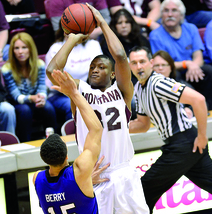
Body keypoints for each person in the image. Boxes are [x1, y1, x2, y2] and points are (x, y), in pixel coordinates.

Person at [128, 45, 212, 214]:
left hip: (182, 144)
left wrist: (202, 135)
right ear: (130, 65)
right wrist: (116, 128)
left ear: (150, 63)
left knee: (144, 191)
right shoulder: (138, 88)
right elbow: (143, 125)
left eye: (142, 61)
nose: (139, 66)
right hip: (182, 146)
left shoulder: (159, 83)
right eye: (134, 62)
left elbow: (199, 99)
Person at [46, 3, 149, 214]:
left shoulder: (122, 91)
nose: (94, 70)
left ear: (113, 74)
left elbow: (120, 56)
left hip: (124, 172)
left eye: (101, 67)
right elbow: (52, 70)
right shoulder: (78, 91)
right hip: (95, 175)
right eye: (92, 67)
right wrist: (73, 39)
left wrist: (101, 22)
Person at [33, 69, 103, 214]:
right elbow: (96, 129)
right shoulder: (80, 172)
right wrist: (74, 93)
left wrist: (86, 179)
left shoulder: (37, 179)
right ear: (66, 155)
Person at [149, 0, 212, 110]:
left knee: (208, 71)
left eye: (174, 10)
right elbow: (162, 64)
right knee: (175, 75)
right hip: (172, 72)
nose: (170, 14)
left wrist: (193, 66)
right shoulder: (155, 35)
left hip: (192, 70)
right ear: (161, 15)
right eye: (166, 11)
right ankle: (187, 111)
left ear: (181, 15)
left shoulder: (191, 28)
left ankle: (211, 110)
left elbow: (198, 56)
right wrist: (187, 64)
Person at [45, 20, 103, 134]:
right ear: (64, 31)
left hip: (89, 90)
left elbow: (101, 74)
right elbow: (54, 76)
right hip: (60, 94)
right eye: (71, 30)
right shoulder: (55, 48)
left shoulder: (93, 45)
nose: (75, 33)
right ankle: (74, 137)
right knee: (72, 103)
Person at [1, 32, 57, 142]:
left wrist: (41, 98)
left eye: (24, 47)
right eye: (16, 48)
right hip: (16, 103)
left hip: (35, 100)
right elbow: (16, 96)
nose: (20, 52)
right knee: (25, 110)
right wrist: (32, 98)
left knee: (48, 107)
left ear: (30, 49)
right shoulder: (6, 69)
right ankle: (25, 142)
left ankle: (54, 141)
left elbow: (42, 87)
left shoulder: (39, 64)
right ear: (12, 51)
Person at [100, 8, 151, 83]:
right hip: (121, 82)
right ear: (114, 26)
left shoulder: (142, 40)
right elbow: (113, 70)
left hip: (143, 79)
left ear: (132, 24)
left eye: (127, 22)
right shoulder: (108, 44)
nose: (124, 26)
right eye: (120, 23)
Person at [151, 50, 194, 118]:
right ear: (151, 68)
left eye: (163, 65)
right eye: (157, 65)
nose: (160, 68)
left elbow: (201, 102)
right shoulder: (146, 89)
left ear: (170, 67)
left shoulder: (181, 85)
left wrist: (190, 110)